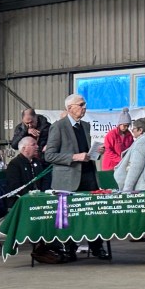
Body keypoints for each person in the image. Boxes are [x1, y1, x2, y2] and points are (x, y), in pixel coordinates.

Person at [44, 93, 109, 260]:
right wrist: (74, 157)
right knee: (69, 215)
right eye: (81, 104)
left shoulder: (85, 126)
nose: (84, 107)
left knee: (93, 213)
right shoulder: (58, 127)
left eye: (84, 104)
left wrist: (96, 152)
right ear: (70, 108)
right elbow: (49, 155)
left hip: (88, 176)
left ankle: (97, 247)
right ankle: (69, 249)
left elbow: (85, 152)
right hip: (68, 179)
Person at [6, 136, 61, 263]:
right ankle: (41, 246)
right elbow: (15, 186)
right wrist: (32, 196)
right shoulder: (14, 164)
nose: (37, 147)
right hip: (22, 202)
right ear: (24, 148)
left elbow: (46, 180)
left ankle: (55, 243)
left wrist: (44, 193)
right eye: (33, 144)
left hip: (41, 199)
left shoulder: (38, 162)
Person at [113, 117, 145, 192]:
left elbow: (135, 167)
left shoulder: (141, 143)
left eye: (134, 128)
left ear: (140, 130)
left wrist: (127, 189)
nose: (132, 130)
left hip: (144, 187)